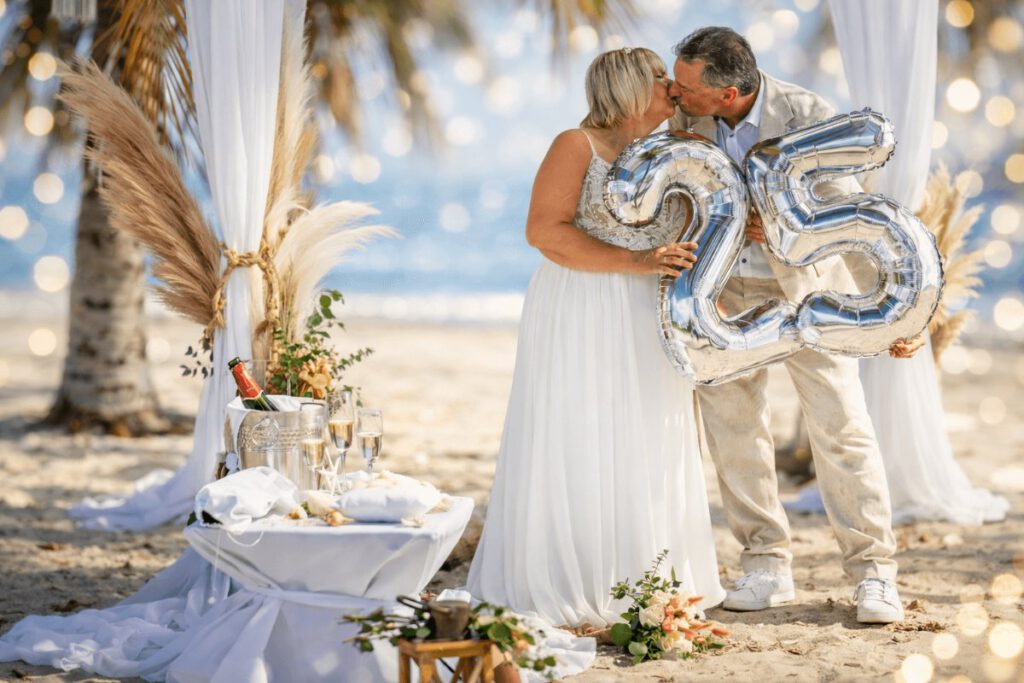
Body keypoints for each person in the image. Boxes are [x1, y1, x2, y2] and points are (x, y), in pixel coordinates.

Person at [467, 47, 726, 628]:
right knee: (580, 427)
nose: (673, 90)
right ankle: (576, 574)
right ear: (631, 90)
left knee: (648, 430)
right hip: (583, 302)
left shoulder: (673, 146)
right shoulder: (575, 145)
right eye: (662, 81)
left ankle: (648, 575)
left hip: (647, 306)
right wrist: (633, 263)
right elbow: (543, 231)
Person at [667, 26, 908, 624]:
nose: (674, 93)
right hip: (719, 292)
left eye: (686, 86)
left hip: (808, 291)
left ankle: (874, 573)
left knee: (840, 425)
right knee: (734, 428)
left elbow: (847, 213)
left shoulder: (804, 114)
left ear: (728, 94)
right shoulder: (683, 122)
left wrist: (892, 311)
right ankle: (765, 563)